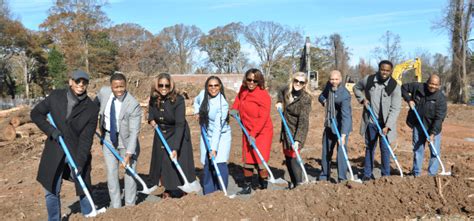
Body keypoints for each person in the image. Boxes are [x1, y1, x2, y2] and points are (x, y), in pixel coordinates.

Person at [31, 70, 99, 220]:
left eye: (84, 82)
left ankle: (89, 214)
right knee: (51, 188)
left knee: (83, 184)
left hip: (76, 150)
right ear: (70, 82)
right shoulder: (56, 96)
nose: (80, 85)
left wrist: (80, 163)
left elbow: (86, 139)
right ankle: (54, 218)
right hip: (55, 148)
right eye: (77, 81)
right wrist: (51, 131)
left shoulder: (91, 108)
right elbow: (36, 114)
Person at [94, 72, 142, 208]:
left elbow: (134, 132)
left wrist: (128, 154)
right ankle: (116, 206)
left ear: (126, 85)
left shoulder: (133, 104)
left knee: (129, 173)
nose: (119, 90)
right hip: (108, 137)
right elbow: (94, 105)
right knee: (111, 173)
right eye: (116, 87)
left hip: (126, 140)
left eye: (122, 86)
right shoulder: (104, 92)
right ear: (111, 86)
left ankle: (129, 205)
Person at [148, 73, 196, 198]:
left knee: (179, 160)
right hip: (162, 132)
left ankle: (185, 190)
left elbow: (180, 124)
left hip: (177, 132)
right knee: (164, 162)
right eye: (161, 85)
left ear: (171, 85)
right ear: (157, 86)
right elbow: (151, 113)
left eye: (167, 85)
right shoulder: (153, 98)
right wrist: (151, 120)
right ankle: (167, 190)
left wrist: (175, 147)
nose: (164, 88)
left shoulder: (178, 99)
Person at [353, 60, 401, 180]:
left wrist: (388, 126)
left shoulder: (394, 86)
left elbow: (395, 108)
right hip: (371, 121)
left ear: (391, 71)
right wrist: (363, 99)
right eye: (382, 69)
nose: (384, 72)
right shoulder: (369, 80)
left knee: (385, 150)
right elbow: (356, 88)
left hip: (386, 125)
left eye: (387, 70)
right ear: (379, 69)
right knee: (370, 148)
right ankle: (367, 174)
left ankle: (385, 176)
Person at [231, 68, 273, 194]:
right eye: (249, 79)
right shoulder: (243, 89)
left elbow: (263, 117)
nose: (251, 83)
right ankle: (247, 186)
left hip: (262, 131)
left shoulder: (263, 95)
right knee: (248, 158)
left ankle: (263, 185)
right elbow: (239, 99)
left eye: (255, 81)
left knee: (260, 159)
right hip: (247, 128)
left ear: (259, 81)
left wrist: (253, 134)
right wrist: (234, 108)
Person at [401, 74, 447, 176]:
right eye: (431, 83)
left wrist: (433, 133)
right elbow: (403, 88)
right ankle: (416, 173)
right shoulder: (418, 87)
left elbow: (439, 118)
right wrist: (409, 100)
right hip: (418, 125)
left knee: (434, 152)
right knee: (418, 150)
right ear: (427, 82)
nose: (433, 86)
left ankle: (431, 175)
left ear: (439, 86)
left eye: (435, 85)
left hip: (433, 127)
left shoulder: (441, 99)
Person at [193, 76, 232, 195]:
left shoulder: (223, 104)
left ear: (220, 87)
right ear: (207, 86)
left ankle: (221, 192)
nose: (213, 88)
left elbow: (217, 128)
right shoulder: (203, 93)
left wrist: (214, 148)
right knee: (208, 163)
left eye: (216, 85)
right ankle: (209, 192)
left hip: (221, 136)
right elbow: (196, 101)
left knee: (219, 162)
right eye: (210, 85)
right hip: (206, 133)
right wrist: (197, 112)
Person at [275, 72, 312, 188]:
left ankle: (299, 184)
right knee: (287, 156)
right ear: (292, 80)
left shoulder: (306, 98)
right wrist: (279, 101)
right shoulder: (287, 90)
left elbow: (303, 121)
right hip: (286, 128)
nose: (298, 84)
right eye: (296, 80)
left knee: (293, 157)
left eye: (301, 82)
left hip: (296, 130)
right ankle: (293, 183)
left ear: (305, 84)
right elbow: (280, 90)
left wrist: (298, 140)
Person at [318, 70, 352, 182]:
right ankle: (324, 175)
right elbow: (321, 96)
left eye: (336, 79)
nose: (334, 82)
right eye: (332, 79)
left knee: (341, 152)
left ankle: (342, 177)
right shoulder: (328, 86)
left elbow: (346, 116)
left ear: (340, 79)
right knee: (326, 150)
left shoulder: (345, 94)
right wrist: (324, 101)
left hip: (341, 125)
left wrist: (342, 135)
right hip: (329, 123)